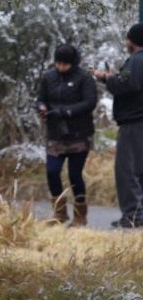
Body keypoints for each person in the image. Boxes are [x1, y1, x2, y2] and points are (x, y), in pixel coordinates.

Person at [91, 21, 143, 229]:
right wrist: (114, 77)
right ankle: (141, 214)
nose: (126, 42)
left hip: (134, 123)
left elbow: (127, 85)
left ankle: (133, 215)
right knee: (141, 170)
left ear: (134, 40)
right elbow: (132, 83)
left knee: (126, 170)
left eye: (128, 38)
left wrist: (107, 79)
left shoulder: (138, 61)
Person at [36, 44, 98, 226]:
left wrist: (65, 112)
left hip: (78, 133)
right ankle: (59, 213)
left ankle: (80, 214)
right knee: (52, 171)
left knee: (74, 174)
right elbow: (40, 98)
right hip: (55, 134)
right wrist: (42, 107)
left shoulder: (84, 78)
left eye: (65, 64)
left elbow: (89, 102)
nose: (61, 67)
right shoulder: (49, 77)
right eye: (58, 63)